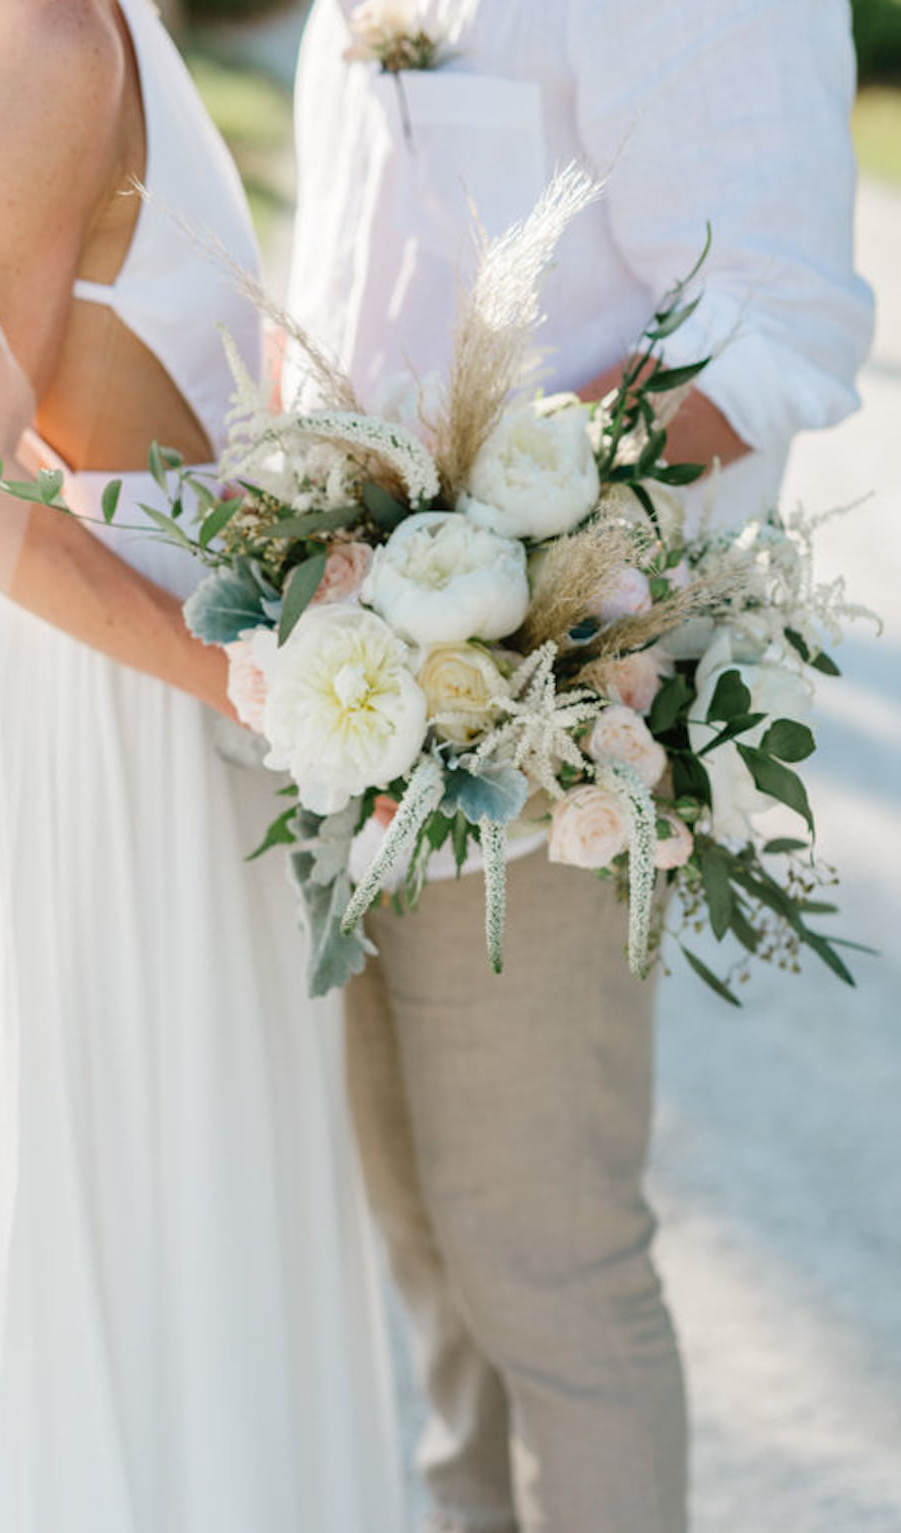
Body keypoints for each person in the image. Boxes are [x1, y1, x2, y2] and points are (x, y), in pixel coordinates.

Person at [286, 3, 874, 1530]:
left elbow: (781, 318)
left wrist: (503, 539)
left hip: (547, 706)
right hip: (354, 687)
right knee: (428, 1259)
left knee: (547, 1273)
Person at [0, 3, 405, 1529]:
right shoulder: (40, 43)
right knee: (153, 1241)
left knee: (212, 1231)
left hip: (181, 701)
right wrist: (260, 682)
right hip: (113, 734)